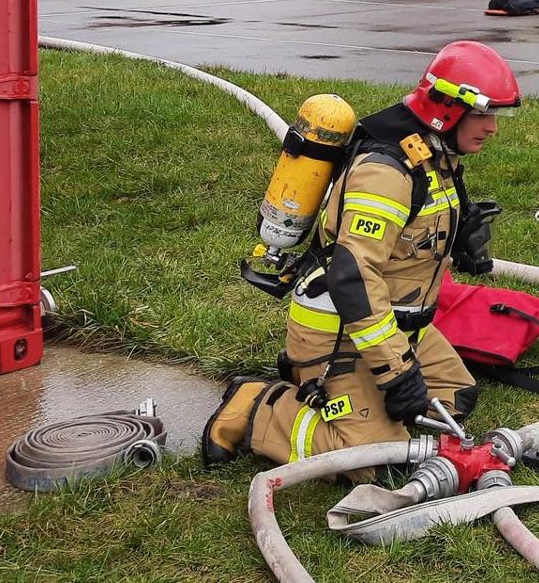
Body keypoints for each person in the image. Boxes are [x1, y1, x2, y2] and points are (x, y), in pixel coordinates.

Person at [203, 41, 521, 469]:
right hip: (340, 333)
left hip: (401, 325)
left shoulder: (433, 153)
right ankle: (260, 406)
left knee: (454, 396)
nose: (492, 128)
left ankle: (346, 396)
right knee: (373, 458)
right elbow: (354, 277)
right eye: (484, 114)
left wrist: (461, 235)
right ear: (447, 108)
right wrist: (394, 371)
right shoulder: (386, 172)